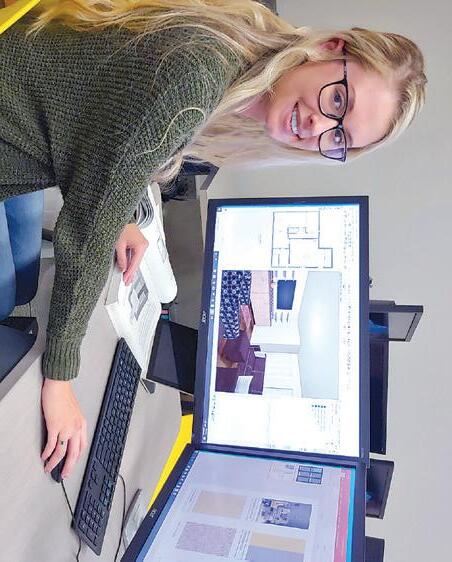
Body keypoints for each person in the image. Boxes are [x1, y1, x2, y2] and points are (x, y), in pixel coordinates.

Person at [0, 0, 426, 480]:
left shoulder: (237, 53)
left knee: (23, 285)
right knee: (8, 297)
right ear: (329, 48)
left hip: (25, 110)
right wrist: (59, 377)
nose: (319, 128)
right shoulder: (195, 81)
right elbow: (85, 230)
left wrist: (119, 205)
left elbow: (110, 128)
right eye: (338, 102)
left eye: (340, 137)